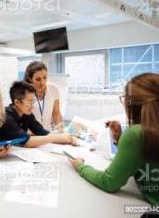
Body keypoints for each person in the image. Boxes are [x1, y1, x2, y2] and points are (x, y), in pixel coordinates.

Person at [68, 73, 159, 206]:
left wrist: (80, 166)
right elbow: (145, 160)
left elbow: (109, 182)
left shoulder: (137, 134)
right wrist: (119, 139)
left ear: (132, 103)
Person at [0, 81, 76, 147]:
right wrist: (56, 138)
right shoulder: (6, 117)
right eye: (30, 102)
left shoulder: (27, 114)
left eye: (33, 101)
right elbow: (27, 141)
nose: (33, 106)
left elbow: (42, 132)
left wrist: (67, 138)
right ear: (17, 102)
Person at [24, 61, 63, 131]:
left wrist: (61, 130)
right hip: (31, 134)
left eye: (44, 77)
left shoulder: (53, 89)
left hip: (48, 132)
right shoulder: (25, 92)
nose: (42, 82)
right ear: (30, 79)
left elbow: (56, 113)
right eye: (38, 79)